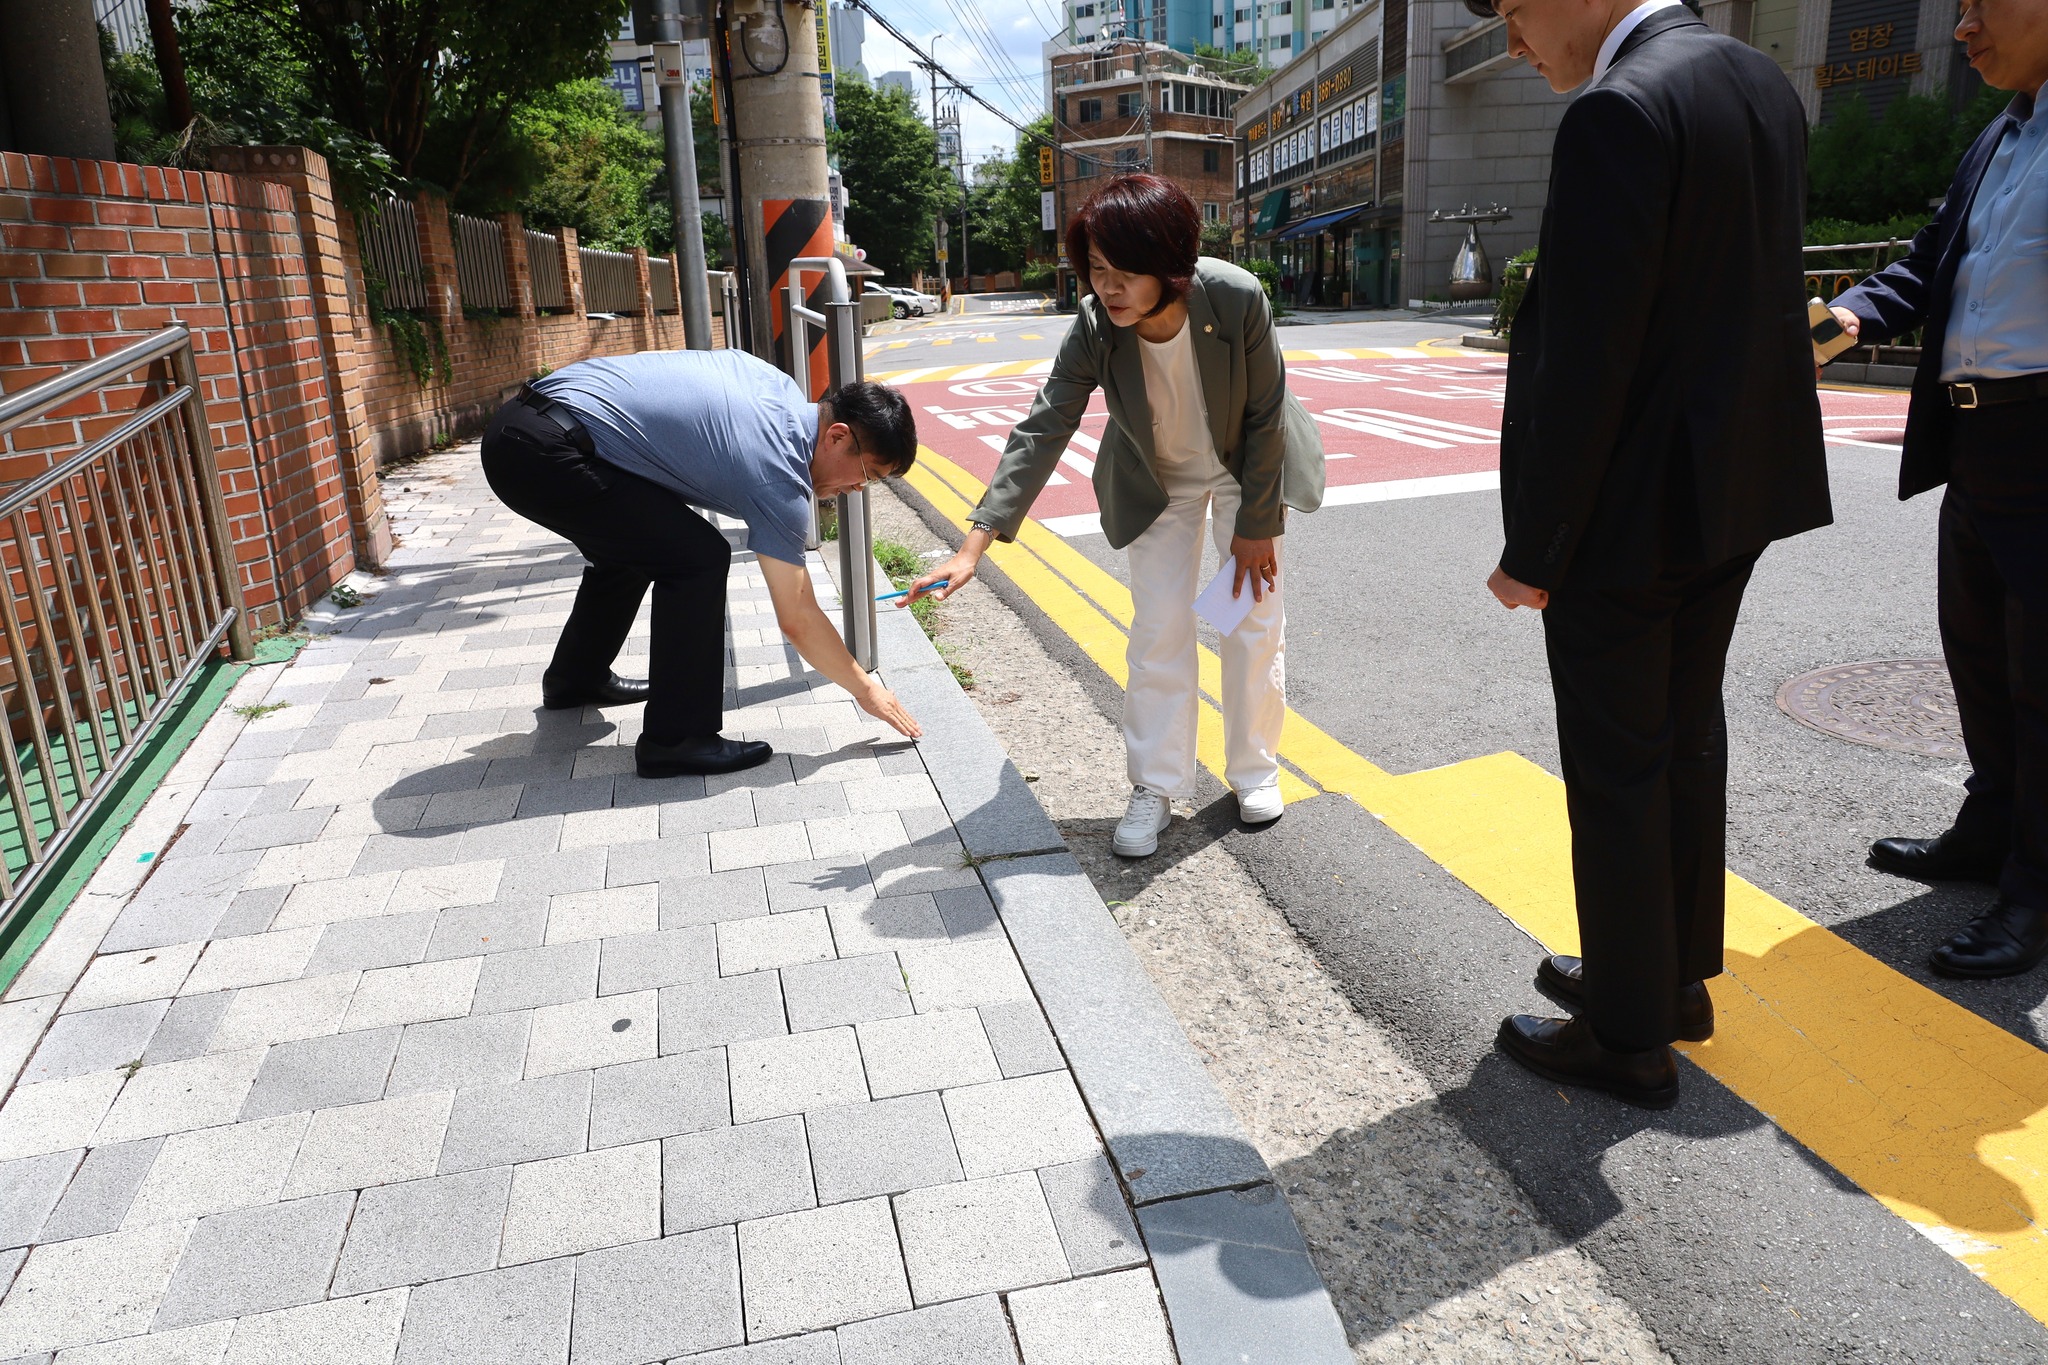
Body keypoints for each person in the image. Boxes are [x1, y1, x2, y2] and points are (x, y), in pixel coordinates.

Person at [1478, 0, 1831, 1107]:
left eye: (1515, 12)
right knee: (1681, 733)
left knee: (1617, 762)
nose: (1513, 43)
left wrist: (1535, 547)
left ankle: (1627, 1036)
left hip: (1627, 511)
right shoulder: (1756, 81)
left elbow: (1589, 356)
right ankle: (1667, 977)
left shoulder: (1616, 110)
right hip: (1734, 490)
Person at [904, 174, 1325, 856]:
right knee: (1159, 627)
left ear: (1170, 264)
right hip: (1157, 481)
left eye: (1126, 271)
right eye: (1098, 270)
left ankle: (1254, 768)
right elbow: (1045, 424)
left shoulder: (1235, 295)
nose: (1109, 287)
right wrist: (973, 544)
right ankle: (1154, 785)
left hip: (1245, 468)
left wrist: (1257, 526)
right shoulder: (1097, 324)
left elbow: (1266, 414)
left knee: (1251, 619)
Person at [1824, 0, 2048, 978]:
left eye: (1981, 3)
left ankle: (2035, 890)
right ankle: (1990, 828)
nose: (1962, 27)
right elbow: (1925, 264)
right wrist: (1834, 321)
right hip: (1977, 437)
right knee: (1980, 653)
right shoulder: (2000, 135)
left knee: (2043, 679)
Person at [479, 350, 923, 779]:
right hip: (540, 453)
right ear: (837, 436)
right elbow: (798, 618)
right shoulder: (778, 472)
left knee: (640, 543)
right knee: (698, 558)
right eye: (868, 474)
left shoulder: (778, 388)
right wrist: (867, 689)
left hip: (523, 421)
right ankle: (676, 741)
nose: (859, 488)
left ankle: (577, 678)